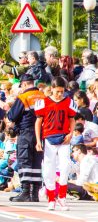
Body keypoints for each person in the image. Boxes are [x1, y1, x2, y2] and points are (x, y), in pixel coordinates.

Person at [34, 76, 77, 211]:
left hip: (64, 138)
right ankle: (51, 198)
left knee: (65, 167)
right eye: (57, 91)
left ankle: (62, 197)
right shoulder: (44, 103)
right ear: (51, 89)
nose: (59, 94)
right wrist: (38, 140)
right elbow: (38, 122)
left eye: (62, 91)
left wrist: (70, 133)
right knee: (48, 169)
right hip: (49, 139)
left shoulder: (69, 102)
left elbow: (72, 119)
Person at [7, 73, 45, 202]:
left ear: (23, 84)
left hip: (26, 132)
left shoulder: (24, 97)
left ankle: (25, 192)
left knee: (25, 161)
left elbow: (12, 116)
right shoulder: (43, 96)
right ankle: (34, 193)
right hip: (40, 133)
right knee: (36, 162)